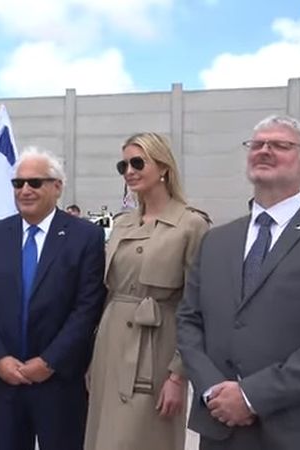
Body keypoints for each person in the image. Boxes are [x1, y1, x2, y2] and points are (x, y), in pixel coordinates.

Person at [177, 115, 300, 450]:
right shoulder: (217, 241)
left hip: (293, 427)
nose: (264, 150)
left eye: (280, 145)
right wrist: (212, 390)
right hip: (220, 425)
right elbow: (189, 321)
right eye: (257, 144)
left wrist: (251, 396)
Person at [0, 148, 106, 450]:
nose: (25, 190)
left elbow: (87, 307)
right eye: (18, 184)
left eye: (35, 183)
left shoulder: (86, 237)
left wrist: (49, 362)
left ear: (57, 187)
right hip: (5, 380)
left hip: (59, 382)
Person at [84, 133, 210, 450]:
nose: (129, 171)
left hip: (156, 350)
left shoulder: (191, 224)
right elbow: (107, 292)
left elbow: (198, 304)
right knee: (104, 437)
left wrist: (179, 376)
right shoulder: (123, 223)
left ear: (163, 166)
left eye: (138, 162)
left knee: (145, 439)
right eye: (123, 165)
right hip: (110, 346)